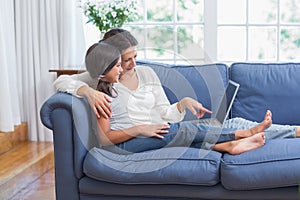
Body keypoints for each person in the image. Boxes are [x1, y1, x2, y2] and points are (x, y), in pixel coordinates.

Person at [54, 28, 300, 154]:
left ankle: (292, 131)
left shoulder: (147, 75)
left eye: (134, 57)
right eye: (125, 60)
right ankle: (239, 137)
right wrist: (88, 92)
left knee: (228, 121)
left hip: (160, 129)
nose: (132, 65)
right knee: (192, 131)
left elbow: (164, 112)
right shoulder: (101, 81)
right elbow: (62, 83)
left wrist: (181, 104)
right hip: (143, 136)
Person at [84, 41, 268, 155]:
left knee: (178, 135)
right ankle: (243, 133)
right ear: (102, 71)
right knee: (181, 131)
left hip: (132, 139)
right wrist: (140, 129)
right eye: (117, 66)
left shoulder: (111, 88)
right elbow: (105, 139)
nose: (121, 69)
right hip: (121, 147)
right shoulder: (102, 96)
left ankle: (228, 146)